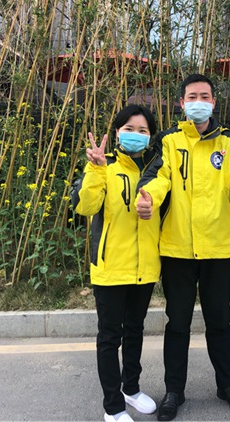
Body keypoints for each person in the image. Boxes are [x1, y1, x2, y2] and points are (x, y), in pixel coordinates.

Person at [135, 74, 230, 421]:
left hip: (219, 249)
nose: (199, 102)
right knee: (177, 324)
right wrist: (148, 197)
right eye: (192, 96)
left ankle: (227, 385)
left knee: (220, 322)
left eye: (205, 96)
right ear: (182, 103)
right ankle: (174, 391)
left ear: (213, 102)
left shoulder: (228, 143)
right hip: (177, 249)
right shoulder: (169, 141)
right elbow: (158, 177)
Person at [71, 105, 161, 422]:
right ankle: (113, 406)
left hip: (144, 267)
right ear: (118, 132)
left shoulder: (156, 170)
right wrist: (95, 169)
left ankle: (131, 389)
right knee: (110, 337)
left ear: (150, 136)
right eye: (129, 129)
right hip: (110, 267)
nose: (136, 135)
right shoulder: (104, 166)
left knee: (135, 330)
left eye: (143, 130)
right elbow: (85, 206)